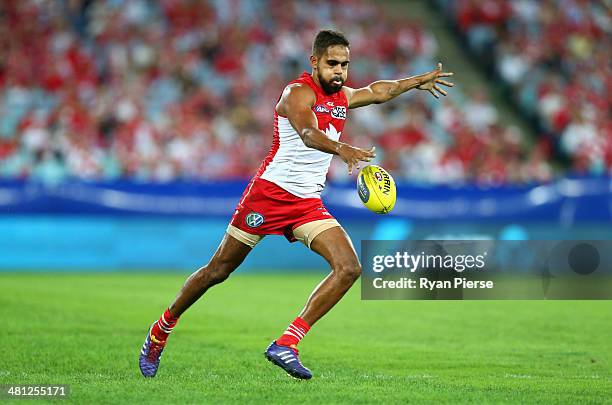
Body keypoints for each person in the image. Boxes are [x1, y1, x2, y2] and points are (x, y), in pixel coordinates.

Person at [139, 29, 454, 380]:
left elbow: (381, 91)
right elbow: (307, 133)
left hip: (306, 203)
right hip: (269, 195)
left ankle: (287, 343)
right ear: (315, 62)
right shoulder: (297, 92)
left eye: (345, 65)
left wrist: (417, 81)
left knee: (349, 268)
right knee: (218, 271)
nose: (340, 71)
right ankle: (160, 331)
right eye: (333, 64)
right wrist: (342, 149)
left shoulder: (343, 96)